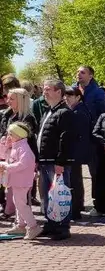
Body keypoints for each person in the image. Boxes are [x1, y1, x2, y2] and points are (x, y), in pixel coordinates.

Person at [36, 78, 74, 240]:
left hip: (55, 162)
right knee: (46, 195)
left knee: (60, 195)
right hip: (45, 161)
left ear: (59, 92)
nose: (44, 92)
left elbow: (66, 139)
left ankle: (63, 227)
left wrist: (60, 162)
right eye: (44, 89)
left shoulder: (64, 113)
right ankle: (51, 223)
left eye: (48, 89)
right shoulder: (48, 111)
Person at [0, 88, 39, 218]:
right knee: (11, 189)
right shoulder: (8, 115)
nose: (8, 101)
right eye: (8, 98)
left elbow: (26, 139)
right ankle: (14, 215)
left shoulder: (27, 118)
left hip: (22, 157)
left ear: (21, 101)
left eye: (12, 99)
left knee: (21, 192)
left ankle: (24, 220)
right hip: (10, 155)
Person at [0, 122, 41, 239]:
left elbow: (23, 164)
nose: (8, 136)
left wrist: (6, 167)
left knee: (21, 204)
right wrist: (5, 145)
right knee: (17, 202)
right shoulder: (15, 146)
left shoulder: (24, 148)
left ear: (18, 135)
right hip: (17, 181)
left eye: (11, 134)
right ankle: (20, 225)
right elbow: (4, 155)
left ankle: (33, 226)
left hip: (22, 181)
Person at [61, 86, 91, 222]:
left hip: (75, 152)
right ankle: (77, 207)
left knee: (74, 180)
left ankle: (76, 209)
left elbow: (80, 135)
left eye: (70, 95)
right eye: (65, 95)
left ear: (78, 97)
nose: (67, 98)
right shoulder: (74, 110)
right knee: (75, 179)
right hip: (74, 151)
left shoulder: (79, 112)